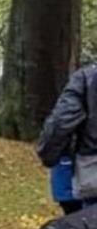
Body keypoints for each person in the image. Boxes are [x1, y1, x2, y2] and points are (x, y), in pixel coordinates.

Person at [38, 63, 97, 213]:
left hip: (92, 168)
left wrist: (48, 154)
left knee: (88, 227)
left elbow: (62, 122)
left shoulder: (86, 78)